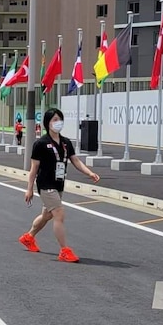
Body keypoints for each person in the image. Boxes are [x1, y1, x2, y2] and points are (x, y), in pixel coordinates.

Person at [20, 108, 100, 262]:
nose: (58, 123)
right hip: (45, 184)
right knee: (59, 214)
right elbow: (34, 168)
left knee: (47, 215)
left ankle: (28, 237)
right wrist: (29, 189)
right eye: (54, 120)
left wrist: (89, 173)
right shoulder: (40, 144)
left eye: (60, 119)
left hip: (59, 183)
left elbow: (75, 160)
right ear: (47, 123)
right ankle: (64, 250)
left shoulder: (65, 142)